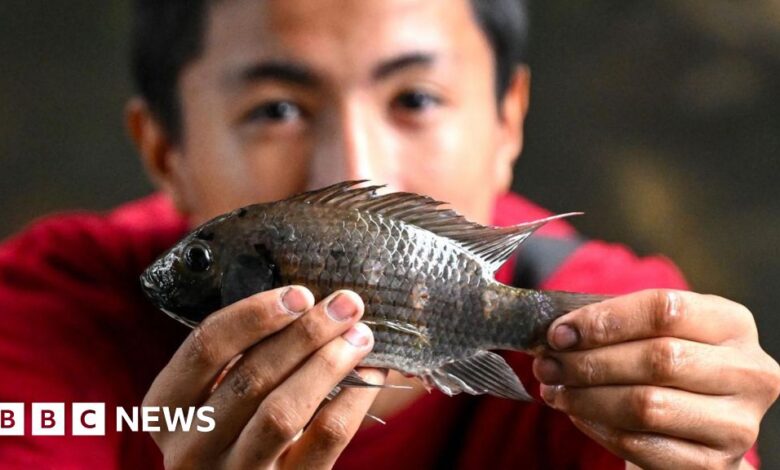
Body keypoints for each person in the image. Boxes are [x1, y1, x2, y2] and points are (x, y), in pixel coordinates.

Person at [1, 0, 777, 468]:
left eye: (415, 97)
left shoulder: (616, 323)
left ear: (509, 120)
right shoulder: (46, 308)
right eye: (276, 108)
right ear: (162, 148)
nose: (357, 164)